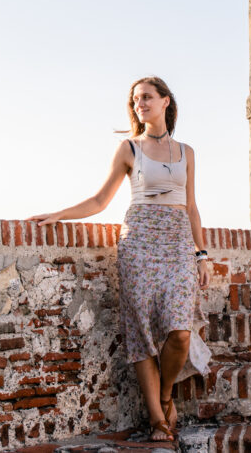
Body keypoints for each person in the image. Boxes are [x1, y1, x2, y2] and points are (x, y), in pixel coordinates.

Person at [29, 76, 212, 442]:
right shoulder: (129, 148)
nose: (139, 104)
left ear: (165, 102)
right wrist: (59, 214)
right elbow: (100, 201)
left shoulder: (187, 152)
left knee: (179, 331)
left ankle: (164, 393)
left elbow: (191, 207)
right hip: (138, 242)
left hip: (176, 243)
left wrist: (202, 254)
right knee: (141, 332)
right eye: (135, 100)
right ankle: (157, 418)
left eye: (146, 97)